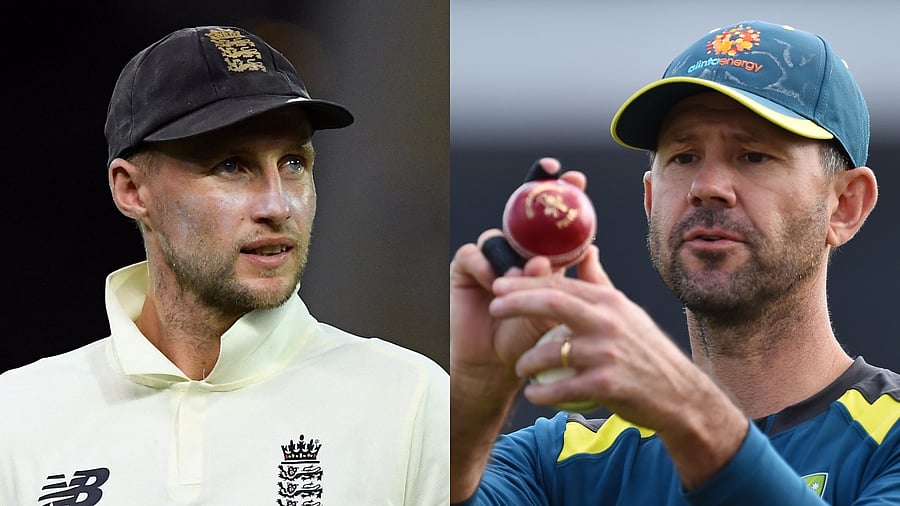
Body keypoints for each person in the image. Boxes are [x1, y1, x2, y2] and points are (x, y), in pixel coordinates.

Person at [450, 19, 899, 505]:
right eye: (684, 157)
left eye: (753, 155)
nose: (706, 186)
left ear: (846, 205)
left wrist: (686, 409)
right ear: (650, 200)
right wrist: (476, 395)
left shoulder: (888, 437)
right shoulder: (560, 461)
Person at [0, 25, 449, 504]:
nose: (277, 206)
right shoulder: (19, 416)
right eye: (231, 166)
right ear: (132, 190)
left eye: (294, 163)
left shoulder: (411, 401)